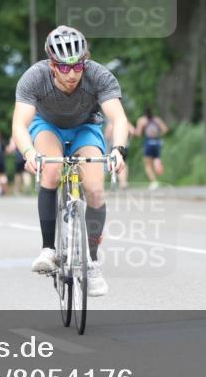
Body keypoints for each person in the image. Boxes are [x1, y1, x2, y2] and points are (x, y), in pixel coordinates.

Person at [11, 25, 129, 298]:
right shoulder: (34, 78)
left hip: (85, 128)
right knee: (51, 170)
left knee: (96, 191)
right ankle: (48, 249)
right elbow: (19, 124)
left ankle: (93, 261)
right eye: (64, 68)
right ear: (52, 65)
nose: (72, 73)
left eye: (78, 66)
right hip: (47, 126)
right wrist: (30, 154)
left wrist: (118, 150)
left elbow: (119, 118)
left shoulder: (98, 75)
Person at [135, 107, 169, 190]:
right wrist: (158, 134)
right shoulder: (157, 120)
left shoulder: (142, 121)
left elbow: (138, 134)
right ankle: (157, 162)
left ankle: (154, 182)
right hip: (158, 142)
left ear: (144, 114)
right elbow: (165, 129)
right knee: (156, 158)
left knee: (148, 165)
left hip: (148, 143)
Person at [102, 119, 135, 189]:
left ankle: (103, 183)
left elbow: (107, 135)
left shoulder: (112, 123)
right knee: (124, 164)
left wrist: (109, 140)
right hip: (125, 146)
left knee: (114, 164)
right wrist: (128, 139)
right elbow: (132, 131)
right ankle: (123, 183)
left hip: (115, 147)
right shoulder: (126, 123)